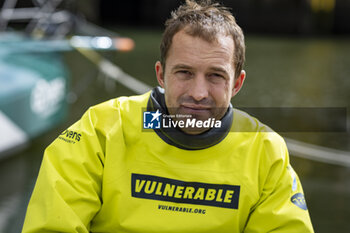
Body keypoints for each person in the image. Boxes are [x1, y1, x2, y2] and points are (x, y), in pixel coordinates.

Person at [22, 0, 314, 232]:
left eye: (215, 76)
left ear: (236, 84)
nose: (199, 93)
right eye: (184, 73)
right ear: (161, 75)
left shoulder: (265, 150)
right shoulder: (100, 131)